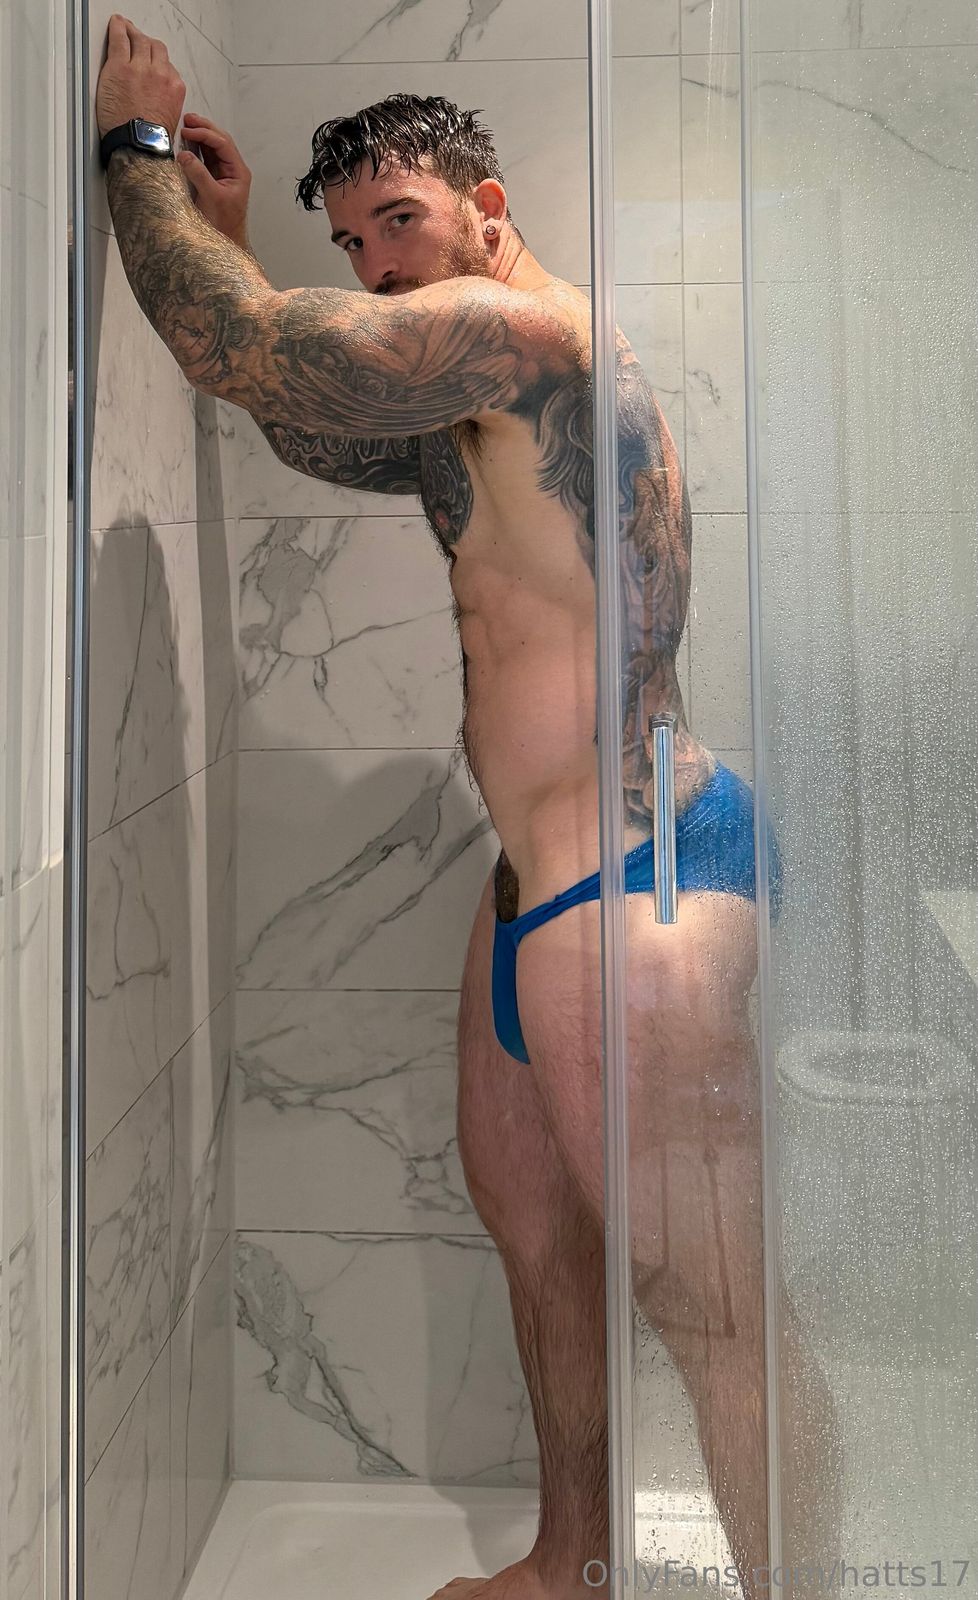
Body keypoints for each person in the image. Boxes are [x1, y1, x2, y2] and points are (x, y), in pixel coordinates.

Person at [96, 17, 834, 1600]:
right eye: (352, 245)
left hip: (640, 881)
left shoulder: (527, 339)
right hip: (532, 887)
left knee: (709, 1304)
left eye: (399, 221)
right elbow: (304, 412)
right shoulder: (465, 405)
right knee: (541, 1248)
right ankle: (571, 1562)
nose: (375, 266)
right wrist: (239, 240)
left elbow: (235, 347)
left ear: (485, 206)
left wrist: (137, 150)